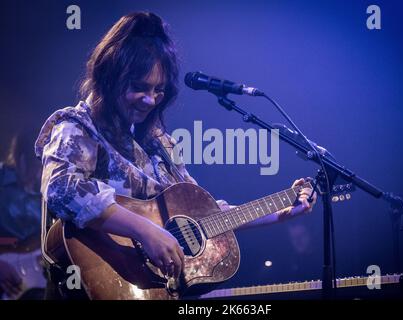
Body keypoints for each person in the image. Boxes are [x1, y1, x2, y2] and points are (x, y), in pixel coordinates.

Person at [34, 11, 317, 299]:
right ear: (110, 78)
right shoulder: (78, 126)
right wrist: (144, 230)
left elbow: (203, 215)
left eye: (159, 90)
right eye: (139, 88)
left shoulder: (160, 143)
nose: (150, 100)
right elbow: (61, 188)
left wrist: (277, 213)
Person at [0, 130, 45, 299]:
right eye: (35, 164)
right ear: (21, 157)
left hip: (27, 283)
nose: (38, 172)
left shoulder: (43, 195)